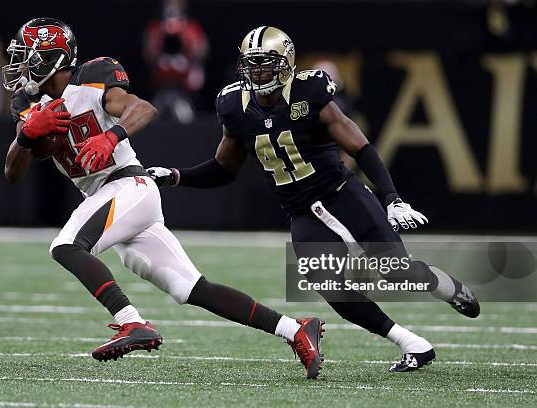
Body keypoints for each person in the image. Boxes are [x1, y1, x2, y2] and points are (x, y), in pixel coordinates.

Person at [1, 18, 324, 379]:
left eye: (27, 57)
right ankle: (295, 329)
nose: (22, 66)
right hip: (108, 198)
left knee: (66, 245)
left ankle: (132, 323)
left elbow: (143, 109)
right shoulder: (26, 102)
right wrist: (26, 138)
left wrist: (111, 137)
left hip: (128, 186)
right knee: (192, 288)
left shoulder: (91, 78)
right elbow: (13, 173)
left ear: (52, 58)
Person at [147, 26, 480, 372]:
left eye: (266, 63)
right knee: (330, 287)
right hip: (300, 212)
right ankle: (413, 344)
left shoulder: (310, 91)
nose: (258, 72)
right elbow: (223, 168)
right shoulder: (234, 106)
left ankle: (447, 286)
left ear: (286, 63)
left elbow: (359, 146)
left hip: (342, 194)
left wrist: (392, 198)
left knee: (397, 272)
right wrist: (176, 176)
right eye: (252, 64)